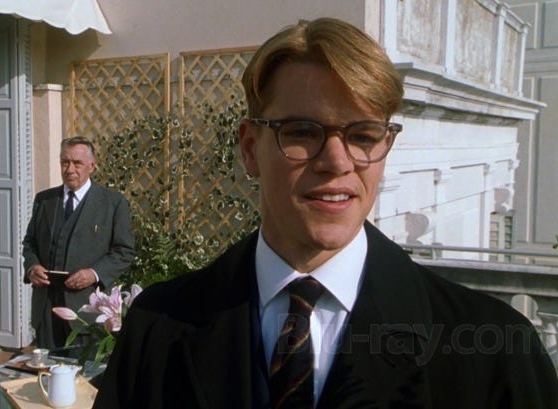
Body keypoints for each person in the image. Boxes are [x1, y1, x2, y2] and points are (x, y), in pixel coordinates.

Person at [93, 17, 558, 408]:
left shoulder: (496, 350)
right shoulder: (157, 327)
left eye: (363, 136)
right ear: (250, 149)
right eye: (302, 131)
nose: (337, 162)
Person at [23, 136, 135, 349]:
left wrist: (94, 273)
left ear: (92, 166)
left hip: (87, 310)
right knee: (47, 366)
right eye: (65, 162)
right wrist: (32, 267)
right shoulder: (44, 200)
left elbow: (124, 251)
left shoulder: (113, 203)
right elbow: (30, 242)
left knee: (84, 369)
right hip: (46, 309)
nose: (70, 169)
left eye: (77, 163)